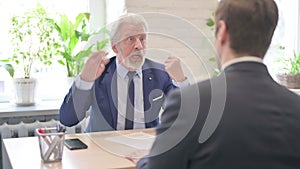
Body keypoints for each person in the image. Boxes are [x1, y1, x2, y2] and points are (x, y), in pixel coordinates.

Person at [134, 0, 300, 168]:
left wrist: (144, 160)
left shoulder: (189, 103)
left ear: (221, 32)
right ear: (269, 37)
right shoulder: (296, 107)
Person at [59, 13, 189, 132]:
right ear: (115, 46)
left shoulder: (160, 73)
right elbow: (68, 120)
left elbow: (184, 118)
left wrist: (181, 81)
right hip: (103, 149)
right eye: (131, 39)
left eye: (142, 38)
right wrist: (85, 80)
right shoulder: (99, 73)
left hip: (145, 150)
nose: (139, 46)